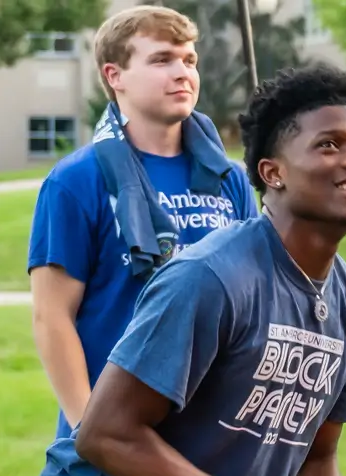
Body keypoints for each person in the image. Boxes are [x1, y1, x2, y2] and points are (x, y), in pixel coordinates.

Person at [19, 63, 346, 476]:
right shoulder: (212, 277)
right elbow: (105, 434)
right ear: (271, 173)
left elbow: (315, 455)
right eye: (329, 145)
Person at [27, 5, 258, 439]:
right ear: (115, 75)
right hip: (118, 431)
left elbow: (257, 300)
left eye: (189, 60)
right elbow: (52, 316)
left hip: (216, 433)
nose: (182, 72)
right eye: (161, 60)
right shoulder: (75, 181)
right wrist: (89, 430)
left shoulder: (231, 181)